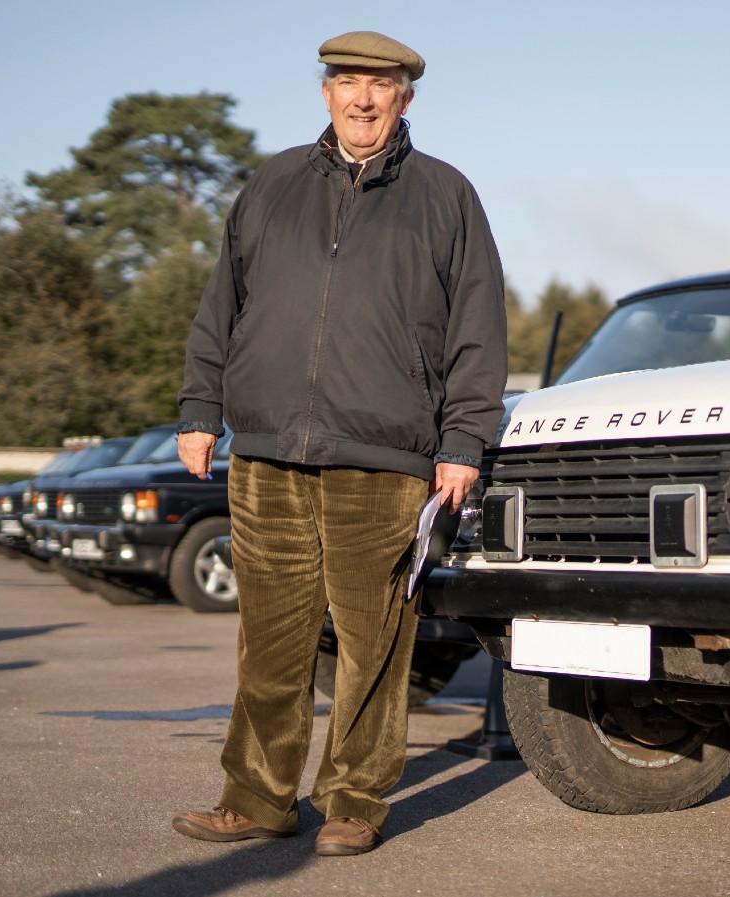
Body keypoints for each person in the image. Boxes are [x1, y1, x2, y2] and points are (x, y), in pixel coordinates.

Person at [171, 30, 506, 857]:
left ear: (406, 98)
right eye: (349, 82)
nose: (363, 98)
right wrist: (197, 409)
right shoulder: (272, 183)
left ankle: (354, 798)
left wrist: (464, 437)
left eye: (380, 85)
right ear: (325, 92)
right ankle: (257, 797)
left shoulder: (446, 195)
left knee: (374, 644)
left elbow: (477, 328)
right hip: (267, 455)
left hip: (387, 461)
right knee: (271, 640)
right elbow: (223, 306)